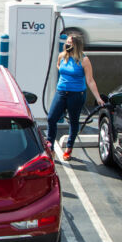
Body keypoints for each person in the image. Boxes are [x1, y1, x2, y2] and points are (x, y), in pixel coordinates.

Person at [46, 33, 104, 161]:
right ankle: (50, 148)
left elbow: (90, 80)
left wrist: (98, 98)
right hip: (61, 92)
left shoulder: (84, 60)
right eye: (67, 43)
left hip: (76, 94)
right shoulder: (62, 56)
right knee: (51, 118)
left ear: (76, 45)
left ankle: (69, 148)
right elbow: (59, 67)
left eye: (70, 44)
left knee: (73, 120)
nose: (67, 45)